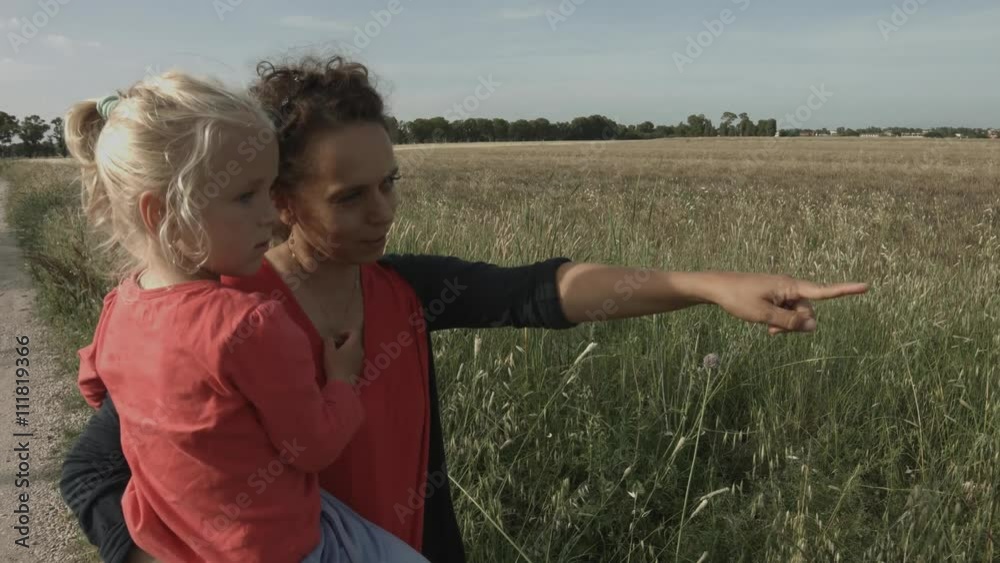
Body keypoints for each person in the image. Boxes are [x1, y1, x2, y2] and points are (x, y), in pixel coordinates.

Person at [60, 56, 869, 563]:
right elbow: (92, 470)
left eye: (390, 183)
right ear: (280, 198)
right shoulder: (215, 321)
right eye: (350, 196)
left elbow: (537, 291)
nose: (384, 212)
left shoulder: (401, 289)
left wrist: (708, 285)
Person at [63, 69, 430, 562]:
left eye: (268, 191)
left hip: (177, 539)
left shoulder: (119, 307)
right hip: (280, 544)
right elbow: (314, 447)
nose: (270, 215)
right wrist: (342, 381)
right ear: (161, 214)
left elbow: (95, 386)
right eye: (245, 196)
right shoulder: (249, 323)